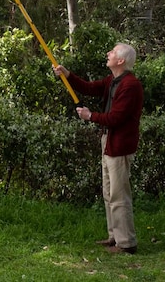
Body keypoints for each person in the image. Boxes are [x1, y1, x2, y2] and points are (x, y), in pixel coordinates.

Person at [54, 43, 144, 255]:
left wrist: (90, 116)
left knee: (119, 195)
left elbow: (116, 118)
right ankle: (115, 237)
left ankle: (127, 244)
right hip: (108, 142)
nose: (108, 53)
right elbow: (89, 87)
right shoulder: (113, 80)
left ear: (120, 61)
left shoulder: (130, 85)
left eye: (111, 52)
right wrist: (67, 74)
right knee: (108, 193)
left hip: (119, 145)